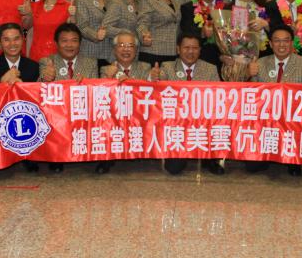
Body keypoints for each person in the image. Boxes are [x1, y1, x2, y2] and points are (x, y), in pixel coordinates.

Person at [248, 25, 302, 176]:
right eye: (277, 41)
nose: (281, 45)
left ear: (292, 43)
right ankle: (267, 153)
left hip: (292, 122)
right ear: (271, 44)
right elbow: (251, 95)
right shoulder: (259, 63)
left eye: (286, 40)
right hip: (265, 121)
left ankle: (291, 157)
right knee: (253, 167)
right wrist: (249, 74)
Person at [150, 33, 221, 176]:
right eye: (186, 48)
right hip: (177, 126)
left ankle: (210, 159)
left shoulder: (210, 69)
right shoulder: (167, 67)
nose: (190, 52)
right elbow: (158, 84)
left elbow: (218, 98)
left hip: (203, 123)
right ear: (178, 49)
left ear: (200, 50)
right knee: (174, 169)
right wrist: (154, 77)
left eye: (194, 48)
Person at [38, 23, 99, 173]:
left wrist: (88, 83)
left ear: (80, 43)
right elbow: (39, 91)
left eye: (74, 40)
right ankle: (56, 156)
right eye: (64, 41)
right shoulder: (47, 61)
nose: (69, 45)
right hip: (57, 116)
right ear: (56, 43)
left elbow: (97, 92)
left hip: (83, 112)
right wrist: (45, 78)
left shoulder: (91, 62)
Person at [0, 22, 41, 172]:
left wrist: (23, 88)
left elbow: (38, 100)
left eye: (16, 39)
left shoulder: (34, 66)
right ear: (0, 42)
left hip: (27, 122)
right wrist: (3, 83)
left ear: (23, 39)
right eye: (6, 40)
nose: (12, 44)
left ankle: (28, 155)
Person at [96, 30, 151, 174]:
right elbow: (99, 96)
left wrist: (133, 82)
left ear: (136, 50)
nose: (126, 49)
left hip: (138, 117)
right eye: (121, 45)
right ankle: (106, 159)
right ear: (114, 50)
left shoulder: (145, 67)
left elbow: (149, 93)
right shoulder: (105, 69)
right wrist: (108, 78)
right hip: (114, 118)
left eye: (130, 46)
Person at [136, 0, 181, 65]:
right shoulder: (148, 0)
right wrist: (144, 35)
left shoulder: (175, 1)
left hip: (172, 52)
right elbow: (142, 23)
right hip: (153, 52)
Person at [179, 0, 225, 70]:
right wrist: (202, 32)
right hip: (197, 60)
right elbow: (187, 33)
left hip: (221, 62)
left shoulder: (225, 9)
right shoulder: (187, 8)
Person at [75, 0, 115, 69]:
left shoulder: (111, 1)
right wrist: (96, 35)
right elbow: (82, 26)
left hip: (110, 54)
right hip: (90, 53)